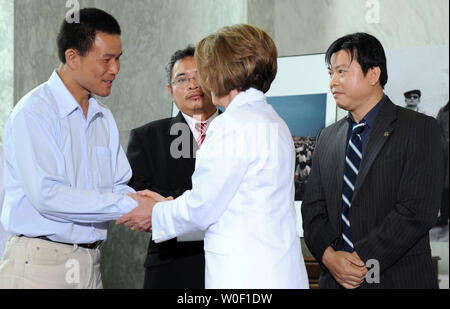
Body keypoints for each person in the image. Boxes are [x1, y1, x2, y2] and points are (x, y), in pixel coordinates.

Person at [117, 24, 309, 289]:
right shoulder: (274, 121)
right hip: (277, 272)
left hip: (244, 277)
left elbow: (202, 207)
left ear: (223, 71)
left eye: (204, 71)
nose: (200, 82)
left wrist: (157, 212)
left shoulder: (231, 125)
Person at [0, 8, 152, 289]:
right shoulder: (33, 113)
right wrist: (133, 204)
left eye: (118, 59)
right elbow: (48, 194)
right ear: (72, 57)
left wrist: (149, 203)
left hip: (90, 263)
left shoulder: (103, 117)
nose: (115, 69)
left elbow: (117, 185)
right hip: (40, 266)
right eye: (107, 60)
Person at [301, 32, 444, 289]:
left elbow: (415, 211)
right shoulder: (327, 137)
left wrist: (360, 262)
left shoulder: (420, 129)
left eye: (342, 71)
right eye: (331, 73)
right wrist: (331, 258)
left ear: (373, 74)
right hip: (335, 280)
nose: (333, 81)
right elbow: (312, 211)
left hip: (397, 279)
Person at [126, 46, 219, 289]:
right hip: (172, 265)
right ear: (170, 91)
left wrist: (170, 205)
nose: (192, 84)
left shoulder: (240, 130)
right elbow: (141, 203)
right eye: (182, 79)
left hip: (231, 263)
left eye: (199, 76)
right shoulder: (147, 137)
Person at [435, 101, 449, 227]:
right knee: (444, 187)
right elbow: (436, 130)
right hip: (445, 154)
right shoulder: (443, 111)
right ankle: (444, 217)